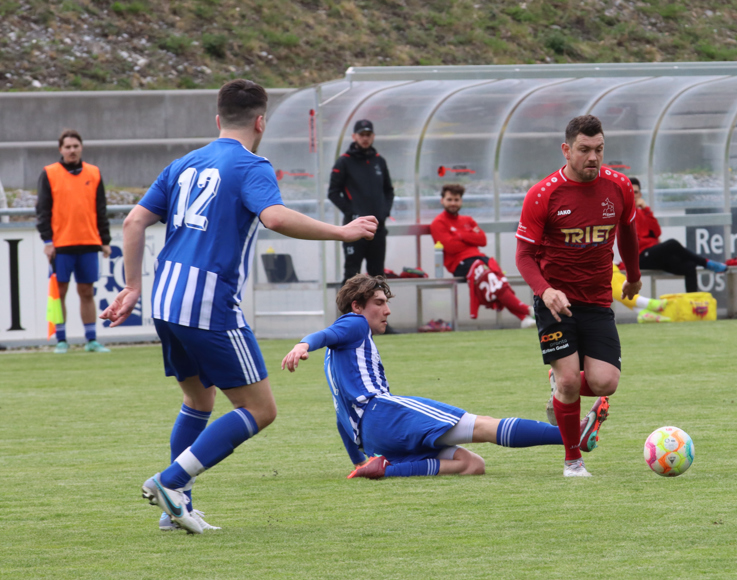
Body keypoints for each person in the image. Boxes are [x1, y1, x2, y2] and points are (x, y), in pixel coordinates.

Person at [100, 79, 378, 534]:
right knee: (260, 409)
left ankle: (175, 510)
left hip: (165, 297)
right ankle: (171, 482)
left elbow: (133, 221)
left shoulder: (183, 164)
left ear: (218, 119)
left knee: (198, 399)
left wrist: (132, 287)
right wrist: (342, 231)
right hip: (208, 300)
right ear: (260, 122)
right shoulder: (252, 165)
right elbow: (275, 217)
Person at [279, 275, 610, 479]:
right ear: (356, 306)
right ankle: (572, 436)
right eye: (379, 303)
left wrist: (359, 460)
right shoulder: (354, 324)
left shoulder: (338, 358)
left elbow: (341, 419)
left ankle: (384, 469)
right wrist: (303, 345)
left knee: (472, 464)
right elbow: (324, 334)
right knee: (482, 425)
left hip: (372, 439)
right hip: (383, 414)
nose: (387, 310)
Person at [514, 114, 641, 477]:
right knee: (570, 381)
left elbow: (627, 233)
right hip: (556, 302)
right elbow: (523, 256)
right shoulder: (543, 194)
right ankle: (573, 461)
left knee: (605, 382)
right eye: (584, 149)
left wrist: (633, 277)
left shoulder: (619, 186)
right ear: (566, 150)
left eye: (599, 149)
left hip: (597, 300)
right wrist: (545, 290)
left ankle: (560, 387)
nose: (593, 157)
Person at [35, 129, 112, 353]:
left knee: (87, 291)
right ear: (61, 149)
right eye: (67, 147)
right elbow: (43, 211)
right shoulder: (49, 173)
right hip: (61, 245)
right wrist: (47, 240)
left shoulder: (93, 173)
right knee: (59, 292)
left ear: (81, 147)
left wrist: (105, 240)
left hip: (88, 242)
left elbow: (101, 209)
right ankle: (61, 339)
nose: (72, 150)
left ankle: (91, 339)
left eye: (75, 146)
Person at [429, 183, 535, 328]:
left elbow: (482, 240)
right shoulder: (438, 223)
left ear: (461, 201)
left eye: (456, 200)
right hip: (460, 264)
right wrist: (470, 236)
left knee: (499, 281)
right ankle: (527, 311)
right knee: (491, 279)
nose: (453, 203)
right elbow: (451, 247)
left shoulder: (467, 220)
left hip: (479, 258)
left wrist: (459, 235)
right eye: (449, 199)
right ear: (442, 200)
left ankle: (524, 318)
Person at [629, 177, 727, 293]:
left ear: (640, 195)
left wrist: (646, 210)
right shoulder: (625, 213)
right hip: (639, 258)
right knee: (672, 244)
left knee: (690, 266)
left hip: (653, 255)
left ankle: (692, 302)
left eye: (635, 192)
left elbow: (657, 232)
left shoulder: (644, 212)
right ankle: (705, 262)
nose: (633, 195)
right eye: (630, 192)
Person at [328, 119, 395, 284]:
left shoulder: (379, 161)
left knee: (377, 277)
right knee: (352, 275)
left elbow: (389, 190)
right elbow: (333, 192)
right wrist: (352, 212)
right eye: (361, 135)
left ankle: (375, 303)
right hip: (354, 228)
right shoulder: (344, 161)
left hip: (377, 228)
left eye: (368, 134)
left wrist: (384, 212)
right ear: (354, 136)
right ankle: (346, 303)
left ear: (373, 136)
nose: (365, 138)